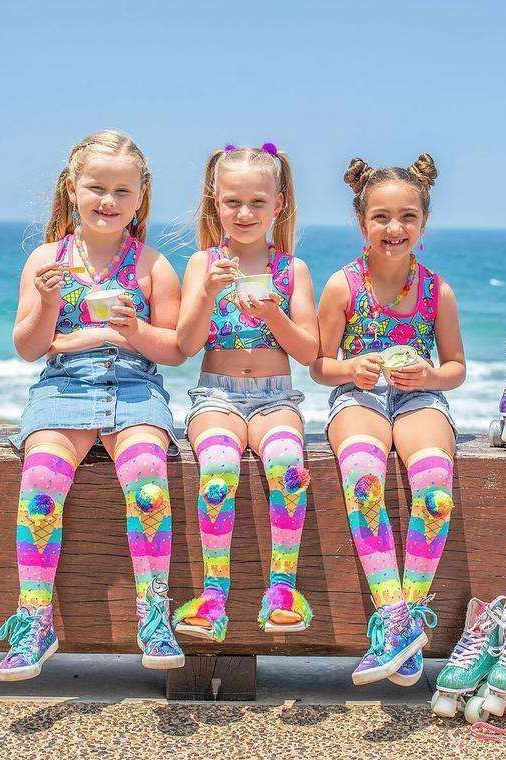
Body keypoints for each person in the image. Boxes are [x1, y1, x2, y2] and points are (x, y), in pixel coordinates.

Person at [0, 130, 185, 681]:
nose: (108, 200)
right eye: (96, 187)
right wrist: (53, 303)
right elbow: (30, 347)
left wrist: (132, 329)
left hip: (135, 390)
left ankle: (153, 614)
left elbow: (172, 349)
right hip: (63, 391)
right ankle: (34, 620)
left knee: (148, 481)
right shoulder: (46, 259)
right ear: (72, 190)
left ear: (139, 197)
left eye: (122, 191)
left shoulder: (154, 266)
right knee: (41, 484)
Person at [311, 153, 466, 686]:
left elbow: (456, 369)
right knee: (363, 475)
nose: (394, 228)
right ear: (361, 223)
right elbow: (320, 366)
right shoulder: (342, 286)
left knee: (434, 489)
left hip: (419, 399)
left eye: (407, 217)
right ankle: (392, 617)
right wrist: (353, 368)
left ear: (423, 225)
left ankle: (409, 615)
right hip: (360, 399)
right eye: (381, 217)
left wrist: (428, 375)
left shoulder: (436, 291)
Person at [172, 143, 319, 642]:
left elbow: (308, 350)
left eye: (258, 202)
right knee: (217, 469)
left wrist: (275, 314)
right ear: (216, 204)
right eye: (233, 201)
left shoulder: (292, 270)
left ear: (278, 205)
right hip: (216, 395)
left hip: (277, 397)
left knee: (289, 467)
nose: (245, 213)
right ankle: (214, 595)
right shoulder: (201, 265)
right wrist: (209, 293)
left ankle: (282, 589)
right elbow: (185, 344)